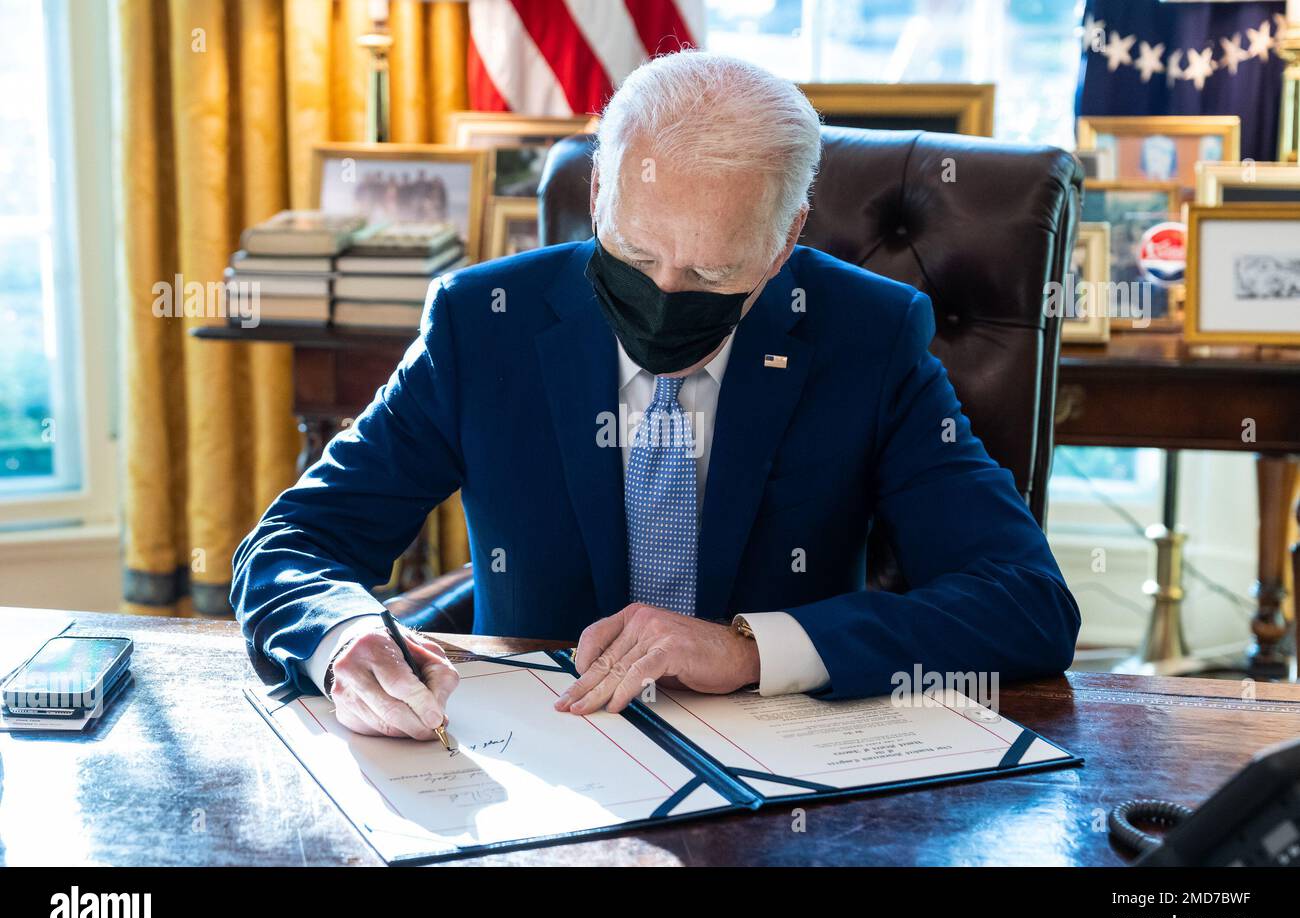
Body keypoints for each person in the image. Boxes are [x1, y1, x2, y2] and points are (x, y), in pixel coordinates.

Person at [231, 50, 1080, 740]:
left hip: (783, 775)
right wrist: (343, 638)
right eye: (635, 257)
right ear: (599, 195)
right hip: (542, 766)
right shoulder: (482, 325)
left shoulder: (867, 334)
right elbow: (293, 543)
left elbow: (1027, 602)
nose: (667, 297)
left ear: (786, 239)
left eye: (712, 272)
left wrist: (752, 649)